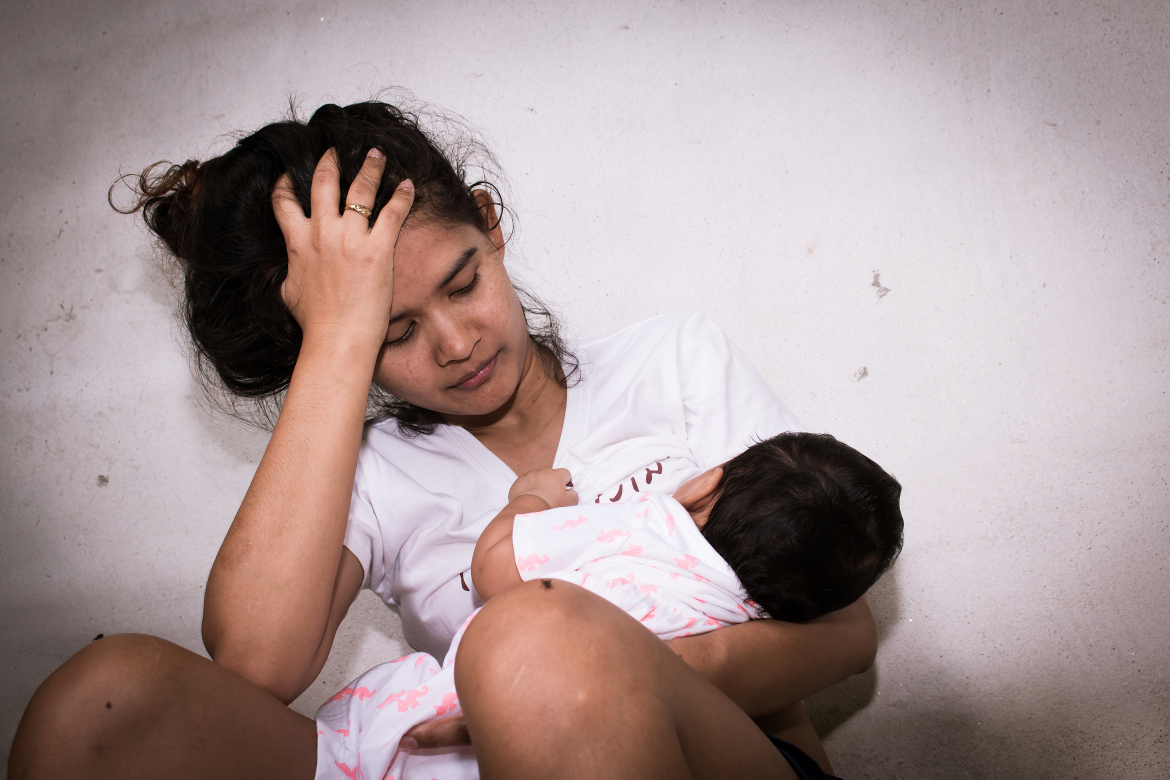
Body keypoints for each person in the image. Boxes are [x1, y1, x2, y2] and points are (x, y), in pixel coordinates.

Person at [10, 100, 880, 780]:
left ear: (491, 228)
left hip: (737, 761)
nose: (457, 343)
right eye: (394, 332)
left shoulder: (674, 360)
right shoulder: (372, 474)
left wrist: (574, 682)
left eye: (463, 284)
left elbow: (845, 635)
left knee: (530, 638)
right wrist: (336, 341)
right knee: (108, 702)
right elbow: (252, 663)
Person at [314, 431, 904, 780]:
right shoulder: (769, 607)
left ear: (702, 485)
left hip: (489, 707)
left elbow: (496, 570)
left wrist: (532, 499)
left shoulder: (653, 524)